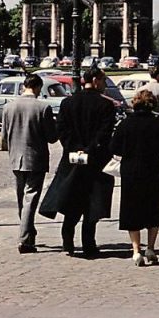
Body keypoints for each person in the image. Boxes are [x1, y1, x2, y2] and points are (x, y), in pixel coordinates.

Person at [39, 67, 116, 257]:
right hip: (96, 161)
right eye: (104, 80)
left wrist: (74, 148)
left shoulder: (68, 103)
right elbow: (105, 133)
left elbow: (62, 130)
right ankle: (89, 243)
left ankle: (68, 240)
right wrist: (89, 149)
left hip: (71, 160)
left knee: (71, 200)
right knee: (92, 203)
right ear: (96, 80)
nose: (105, 85)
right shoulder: (105, 105)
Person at [111, 89, 159, 266]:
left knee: (131, 210)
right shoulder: (158, 124)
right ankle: (150, 248)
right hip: (152, 170)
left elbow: (114, 147)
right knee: (152, 209)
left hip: (131, 171)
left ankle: (136, 251)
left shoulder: (125, 124)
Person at [3, 74, 59, 254]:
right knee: (31, 198)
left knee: (22, 197)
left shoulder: (9, 107)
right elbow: (52, 138)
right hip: (35, 159)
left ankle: (27, 231)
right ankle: (25, 239)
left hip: (15, 158)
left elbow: (4, 136)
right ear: (38, 88)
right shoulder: (43, 108)